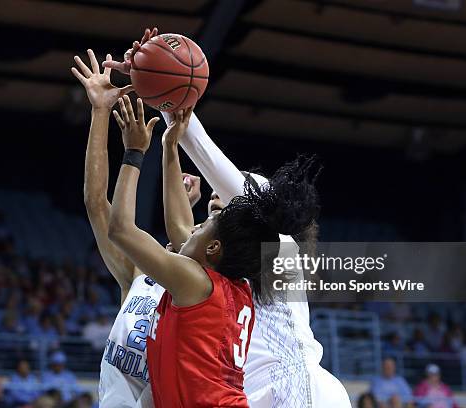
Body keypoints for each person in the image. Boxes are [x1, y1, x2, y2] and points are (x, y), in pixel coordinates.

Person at [105, 26, 352, 408]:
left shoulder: (280, 251)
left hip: (304, 393)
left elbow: (239, 196)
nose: (216, 204)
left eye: (228, 201)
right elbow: (183, 235)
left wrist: (174, 111)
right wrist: (169, 133)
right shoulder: (222, 275)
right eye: (214, 208)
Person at [72, 46, 163, 407]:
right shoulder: (141, 276)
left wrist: (167, 149)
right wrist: (100, 111)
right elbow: (96, 204)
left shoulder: (197, 292)